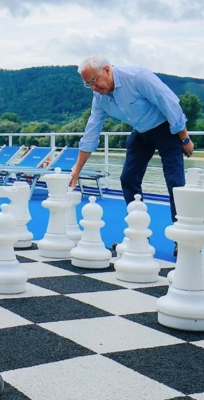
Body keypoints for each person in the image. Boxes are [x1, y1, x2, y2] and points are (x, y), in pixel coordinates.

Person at [67, 55, 194, 255]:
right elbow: (91, 132)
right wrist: (77, 170)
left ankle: (183, 238)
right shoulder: (99, 97)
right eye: (87, 84)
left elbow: (169, 103)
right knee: (128, 179)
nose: (93, 87)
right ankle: (138, 234)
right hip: (141, 131)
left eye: (93, 81)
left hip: (166, 130)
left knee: (175, 183)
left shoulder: (137, 77)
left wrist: (184, 138)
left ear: (107, 70)